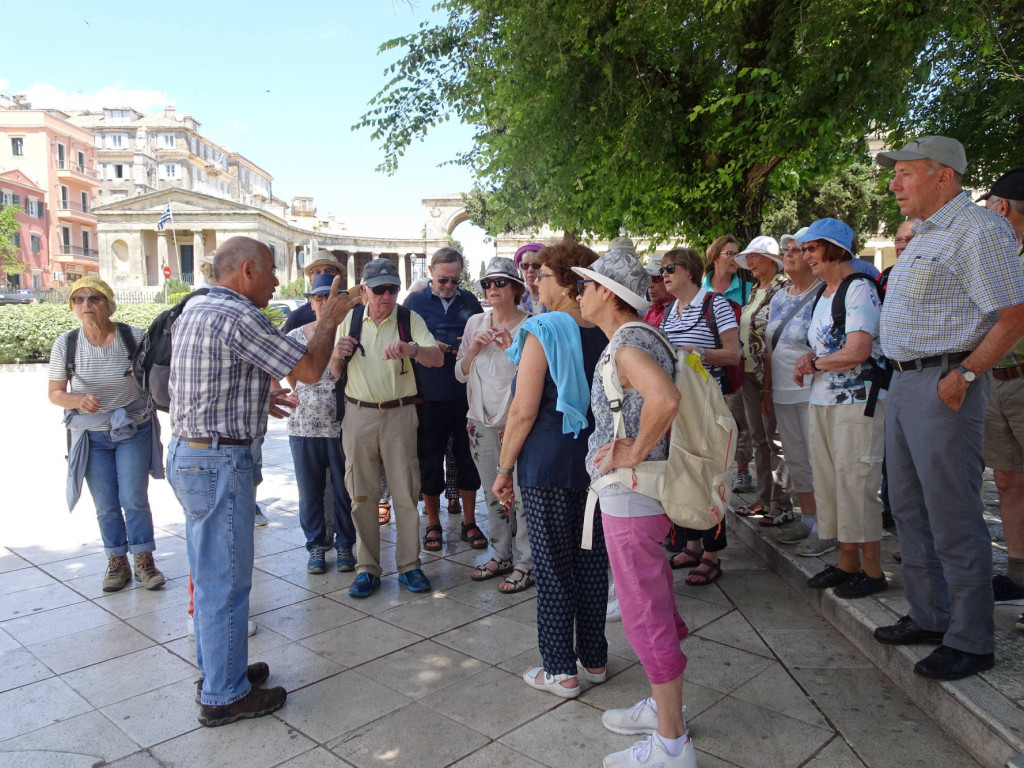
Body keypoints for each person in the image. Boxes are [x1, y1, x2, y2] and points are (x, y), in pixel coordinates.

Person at [167, 236, 356, 726]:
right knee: (224, 583)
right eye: (272, 271)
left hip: (192, 453)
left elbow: (213, 378)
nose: (277, 282)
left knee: (212, 575)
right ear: (247, 269)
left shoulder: (199, 308)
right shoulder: (237, 314)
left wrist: (254, 399)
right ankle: (224, 695)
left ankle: (220, 671)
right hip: (217, 462)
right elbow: (311, 370)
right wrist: (329, 322)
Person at [873, 136, 1024, 680]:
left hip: (945, 381)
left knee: (954, 513)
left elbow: (1013, 316)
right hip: (909, 381)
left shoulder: (980, 230)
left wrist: (963, 376)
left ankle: (971, 638)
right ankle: (931, 614)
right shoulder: (929, 234)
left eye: (905, 174)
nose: (893, 185)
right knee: (909, 507)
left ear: (943, 176)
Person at [572, 251, 697, 768]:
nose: (578, 294)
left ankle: (671, 745)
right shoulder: (640, 338)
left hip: (631, 494)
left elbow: (665, 398)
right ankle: (663, 712)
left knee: (645, 616)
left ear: (607, 293)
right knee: (655, 606)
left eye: (585, 286)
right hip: (641, 495)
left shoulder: (626, 346)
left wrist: (632, 450)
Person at [492, 240, 608, 699]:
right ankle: (594, 659)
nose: (533, 281)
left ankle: (560, 669)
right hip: (596, 462)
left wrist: (503, 469)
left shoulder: (544, 328)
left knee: (554, 566)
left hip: (547, 463)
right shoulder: (606, 326)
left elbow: (522, 411)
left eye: (541, 274)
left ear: (566, 281)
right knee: (592, 561)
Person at [332, 258, 444, 599]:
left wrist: (411, 349)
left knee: (406, 493)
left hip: (400, 414)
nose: (386, 296)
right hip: (358, 415)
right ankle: (367, 569)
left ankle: (410, 565)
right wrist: (337, 354)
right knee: (361, 495)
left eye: (392, 289)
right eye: (378, 289)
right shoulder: (350, 321)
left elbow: (437, 358)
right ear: (364, 290)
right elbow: (334, 372)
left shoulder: (409, 319)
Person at [48, 277, 165, 593]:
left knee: (133, 498)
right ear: (73, 307)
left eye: (94, 299)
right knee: (107, 504)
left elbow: (157, 376)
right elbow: (55, 393)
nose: (86, 305)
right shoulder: (66, 344)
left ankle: (144, 561)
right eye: (79, 300)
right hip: (91, 436)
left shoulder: (132, 337)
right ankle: (116, 563)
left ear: (109, 305)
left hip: (132, 428)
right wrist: (78, 400)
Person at [794, 218, 888, 598]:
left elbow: (858, 350)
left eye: (812, 248)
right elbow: (825, 348)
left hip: (857, 402)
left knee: (856, 481)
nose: (806, 256)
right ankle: (847, 561)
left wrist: (814, 363)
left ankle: (873, 569)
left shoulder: (858, 289)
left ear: (834, 248)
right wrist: (810, 360)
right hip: (824, 400)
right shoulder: (824, 293)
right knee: (831, 481)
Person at [658, 248, 740, 585]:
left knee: (708, 474)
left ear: (690, 271)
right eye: (662, 269)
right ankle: (690, 544)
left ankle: (712, 553)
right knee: (682, 471)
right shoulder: (669, 311)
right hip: (679, 407)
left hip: (708, 406)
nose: (664, 274)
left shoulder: (715, 304)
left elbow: (733, 355)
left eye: (670, 268)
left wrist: (699, 353)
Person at [456, 257, 533, 592]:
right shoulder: (475, 322)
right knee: (492, 493)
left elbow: (537, 378)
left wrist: (512, 350)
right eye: (487, 283)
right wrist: (473, 348)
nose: (492, 289)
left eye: (500, 283)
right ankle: (501, 553)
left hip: (517, 421)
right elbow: (459, 374)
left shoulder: (532, 325)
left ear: (515, 288)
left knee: (520, 495)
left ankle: (526, 563)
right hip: (480, 421)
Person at [404, 247, 484, 551]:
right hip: (428, 394)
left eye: (455, 280)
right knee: (430, 460)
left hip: (464, 395)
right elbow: (400, 340)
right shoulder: (414, 302)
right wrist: (424, 345)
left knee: (467, 460)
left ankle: (469, 521)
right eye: (443, 281)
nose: (449, 286)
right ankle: (433, 523)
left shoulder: (470, 302)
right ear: (431, 275)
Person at [285, 273, 357, 575]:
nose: (325, 302)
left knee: (344, 489)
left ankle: (344, 545)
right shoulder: (296, 336)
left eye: (331, 297)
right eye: (319, 297)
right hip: (305, 426)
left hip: (343, 423)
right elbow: (291, 373)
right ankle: (316, 544)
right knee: (310, 489)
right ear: (311, 302)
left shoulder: (352, 333)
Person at [978, 168, 1024, 619]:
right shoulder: (1006, 254)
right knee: (1008, 480)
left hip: (1021, 378)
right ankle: (1017, 573)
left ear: (1002, 207)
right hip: (999, 379)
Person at [766, 233, 830, 555]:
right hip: (781, 389)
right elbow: (769, 345)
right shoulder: (779, 296)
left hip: (812, 391)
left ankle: (827, 528)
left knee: (818, 460)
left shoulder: (823, 294)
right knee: (796, 460)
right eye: (786, 249)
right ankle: (809, 521)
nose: (789, 254)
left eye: (797, 249)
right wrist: (766, 389)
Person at [733, 236, 790, 520]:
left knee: (775, 438)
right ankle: (764, 498)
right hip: (750, 373)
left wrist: (767, 387)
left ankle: (782, 502)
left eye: (754, 256)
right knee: (759, 438)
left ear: (771, 260)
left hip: (773, 374)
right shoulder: (755, 289)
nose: (750, 263)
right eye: (748, 258)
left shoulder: (784, 287)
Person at [701, 234, 754, 494]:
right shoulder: (699, 288)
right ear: (715, 257)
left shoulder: (746, 288)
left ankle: (742, 470)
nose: (735, 259)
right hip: (700, 367)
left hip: (731, 364)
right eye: (729, 254)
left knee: (737, 418)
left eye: (737, 254)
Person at [280, 250, 346, 333]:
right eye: (317, 272)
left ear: (340, 277)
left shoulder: (355, 313)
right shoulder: (296, 318)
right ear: (310, 280)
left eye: (328, 271)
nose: (322, 275)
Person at [514, 242, 548, 314]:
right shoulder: (516, 300)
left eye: (535, 265)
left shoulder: (554, 298)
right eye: (525, 265)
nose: (530, 270)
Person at [642, 261, 670, 329]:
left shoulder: (678, 309)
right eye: (647, 279)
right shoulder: (651, 308)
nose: (650, 285)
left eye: (656, 278)